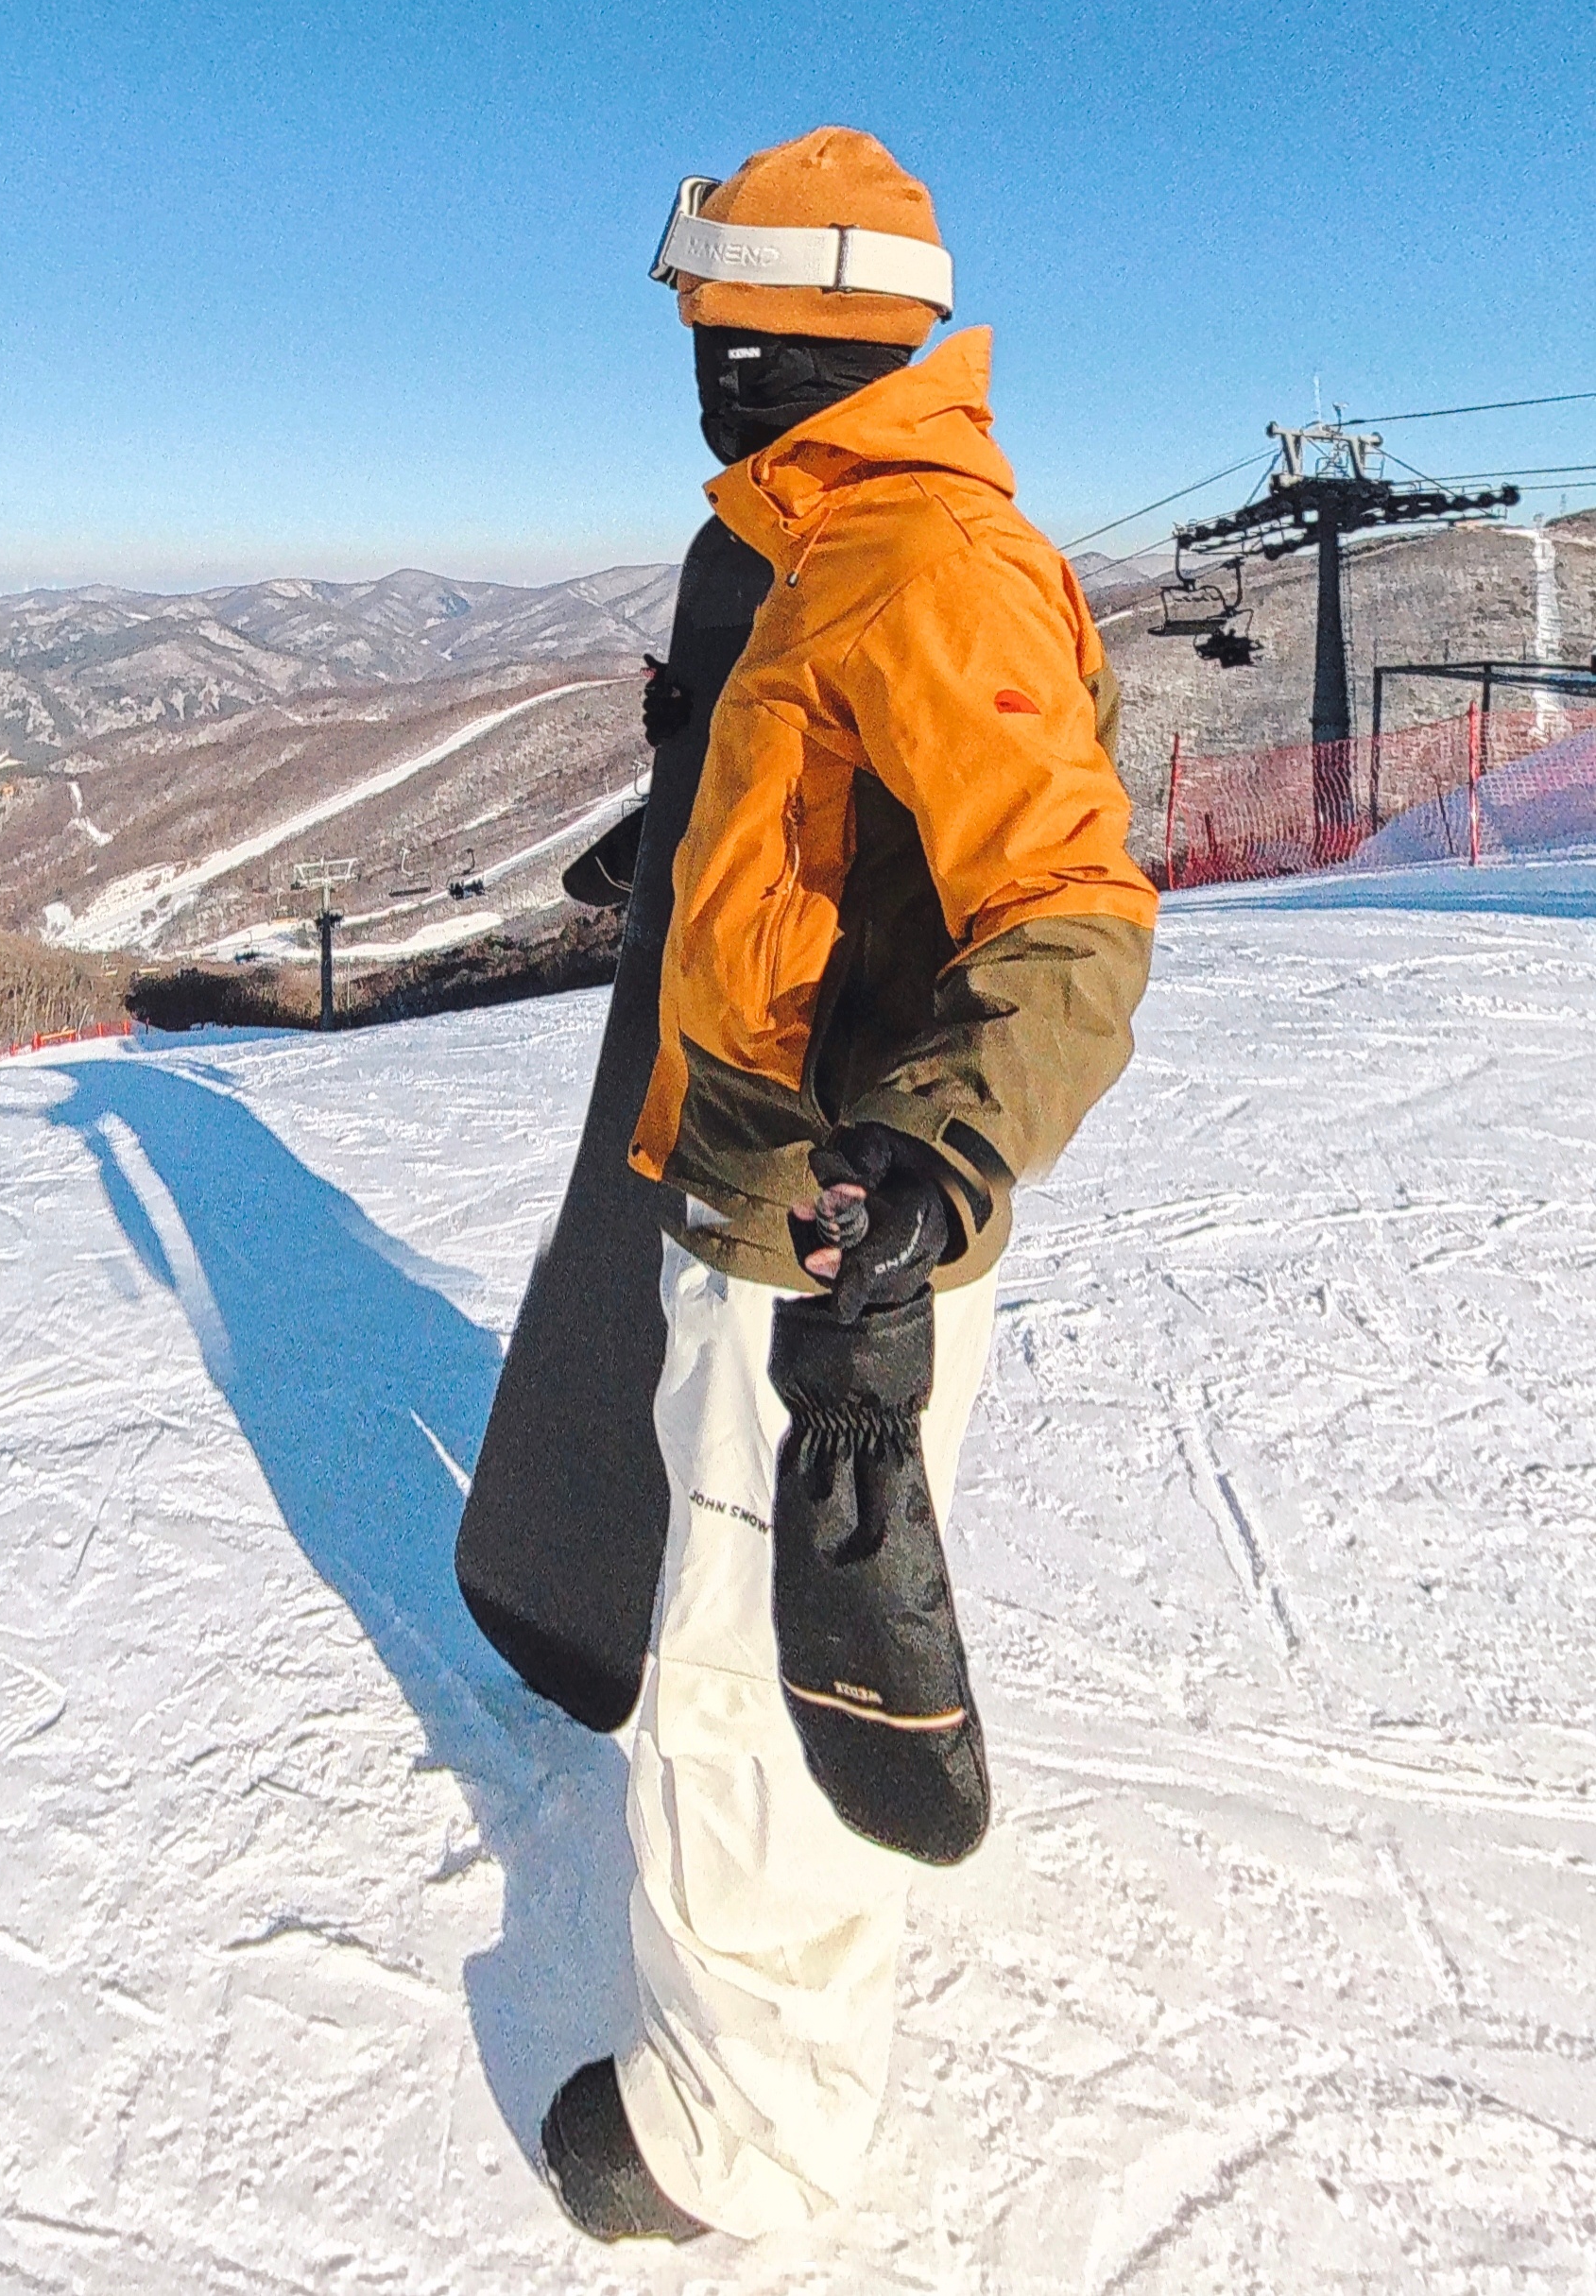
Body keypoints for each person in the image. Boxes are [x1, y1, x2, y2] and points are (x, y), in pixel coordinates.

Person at [539, 128, 1158, 2242]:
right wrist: (680, 838)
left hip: (830, 1219)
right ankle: (789, 2012)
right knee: (747, 1602)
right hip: (778, 1188)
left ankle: (738, 2144)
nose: (692, 357)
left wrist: (919, 1164)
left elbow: (1071, 904)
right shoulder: (834, 545)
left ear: (771, 330)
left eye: (708, 319)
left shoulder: (919, 561)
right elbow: (836, 821)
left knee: (737, 1679)